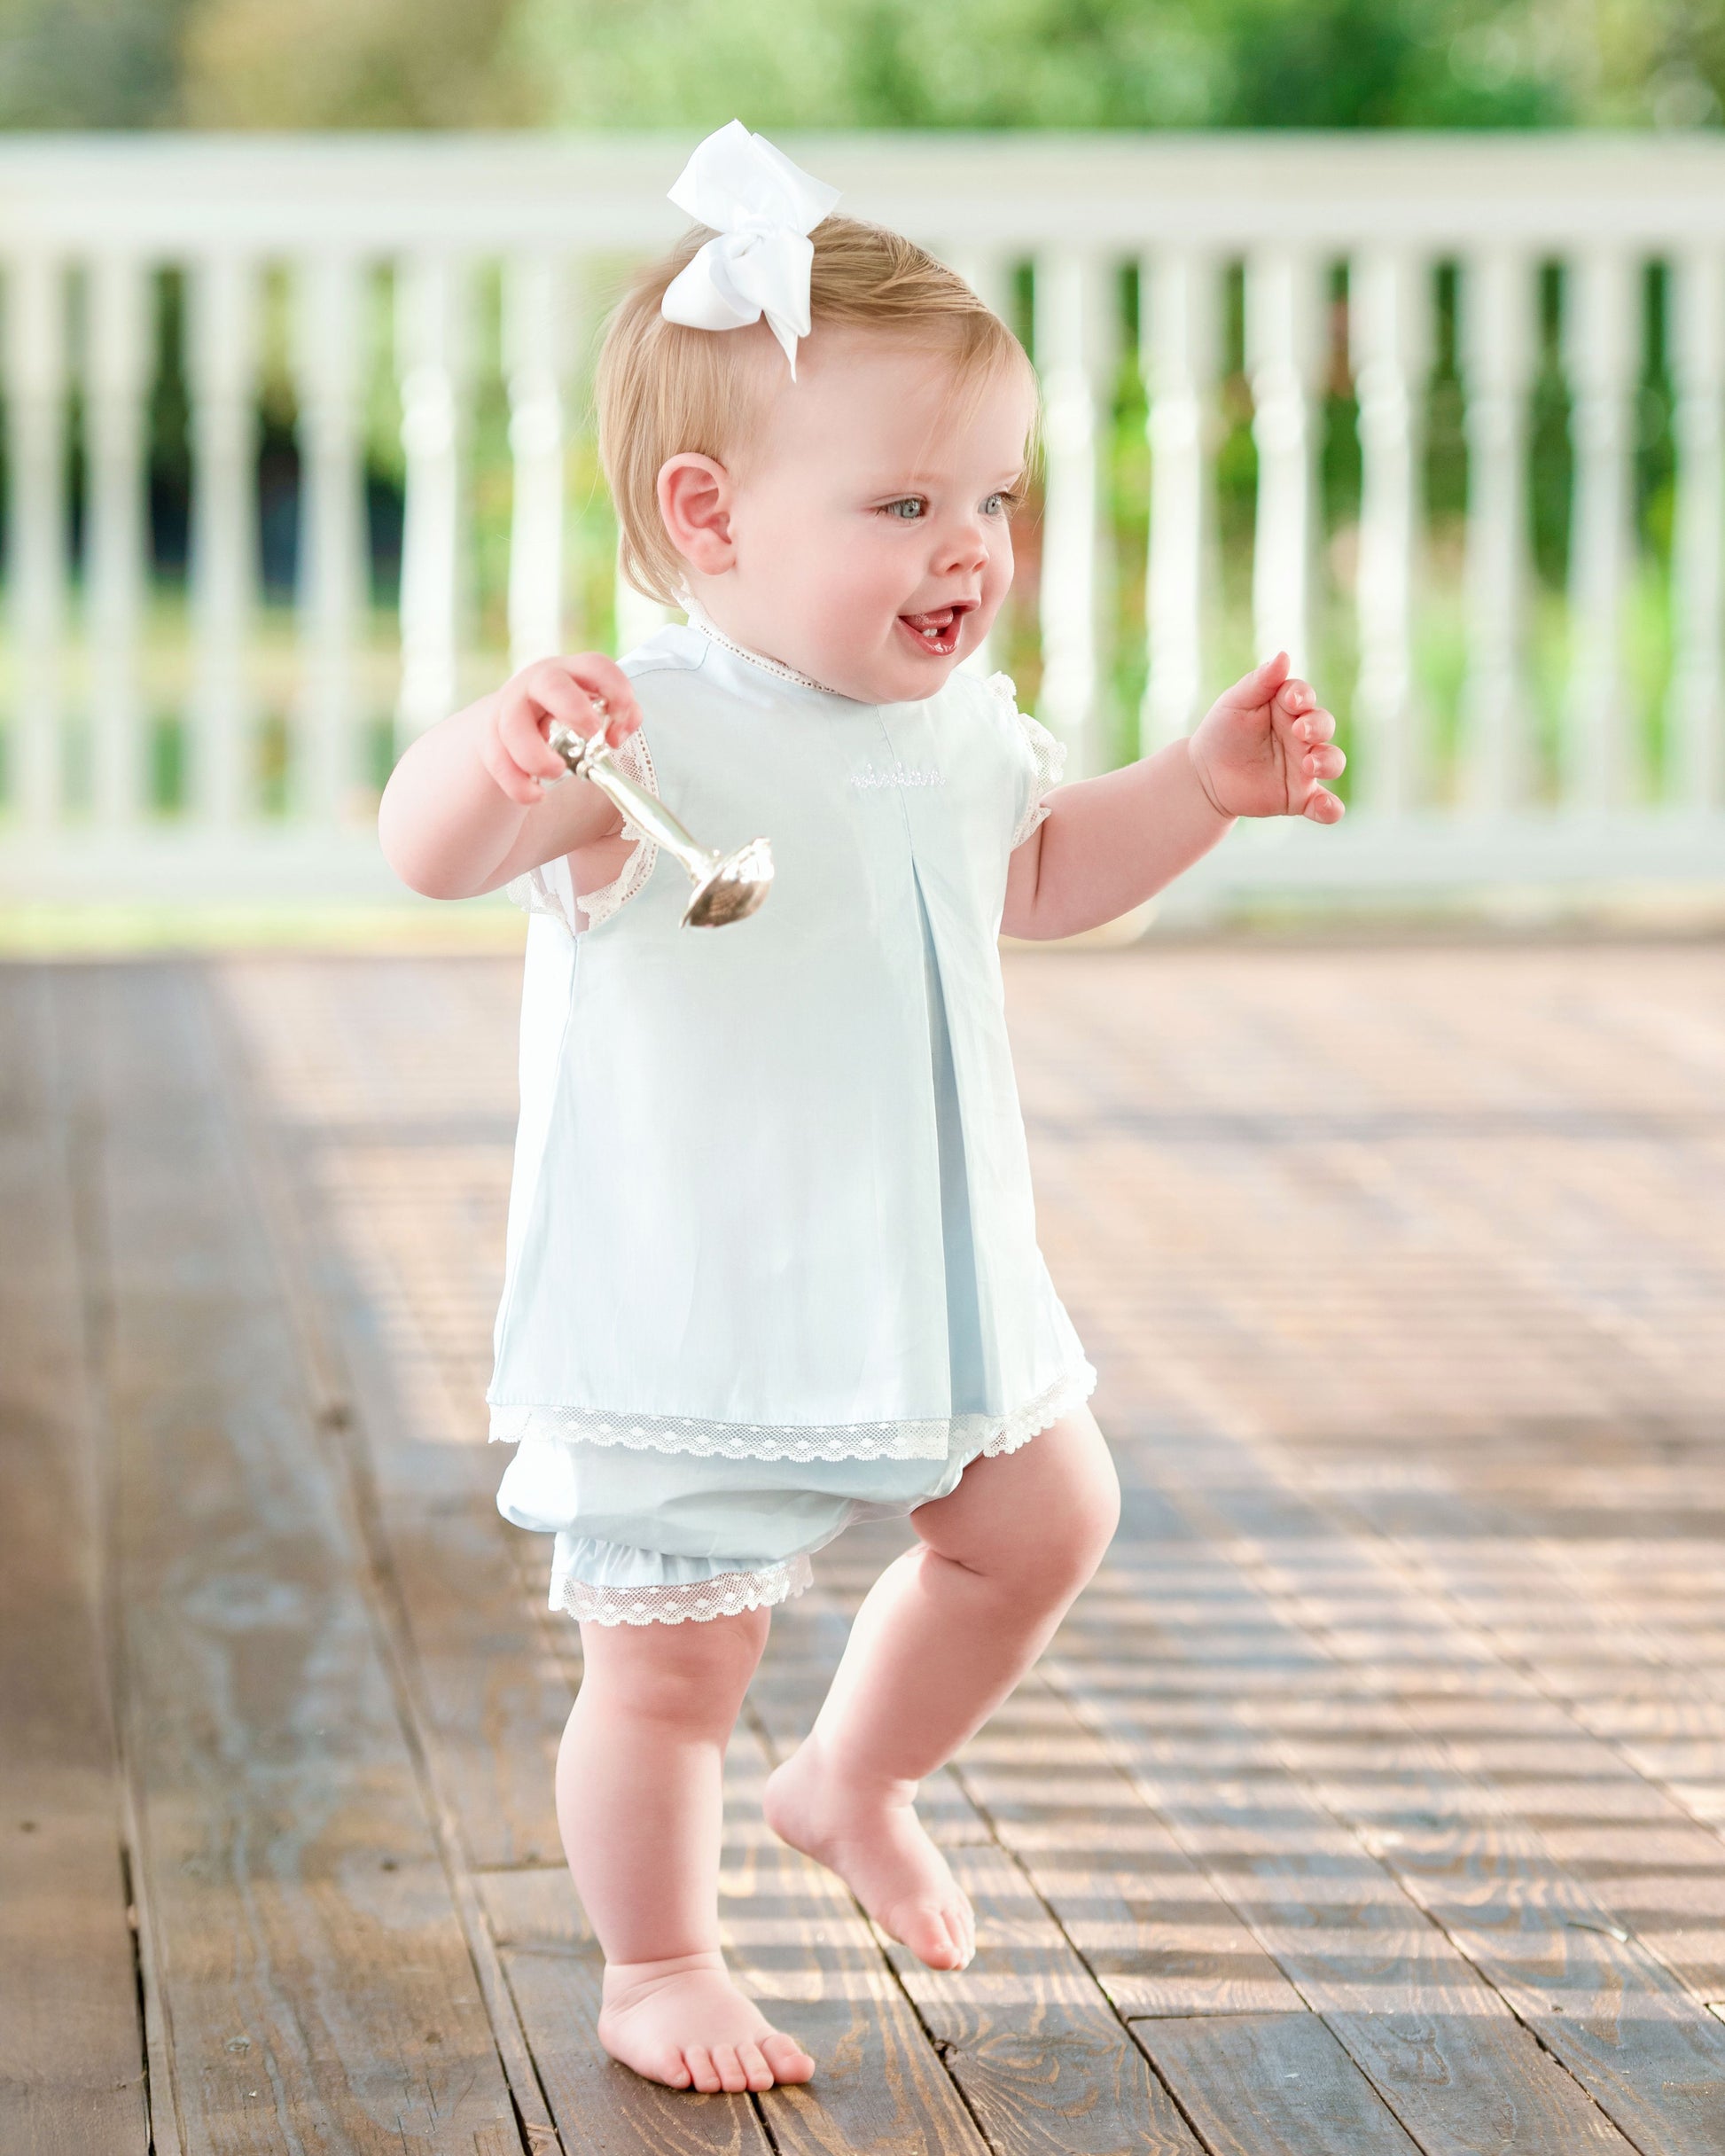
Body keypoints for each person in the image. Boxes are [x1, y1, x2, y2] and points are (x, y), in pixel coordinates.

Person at [378, 121, 1345, 2099]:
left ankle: (857, 1773)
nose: (969, 546)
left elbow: (1042, 878)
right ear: (708, 514)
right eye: (905, 500)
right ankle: (655, 1959)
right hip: (704, 1303)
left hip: (925, 1281)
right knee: (670, 1667)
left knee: (1046, 1512)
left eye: (993, 493)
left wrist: (1194, 784)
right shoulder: (639, 739)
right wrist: (488, 758)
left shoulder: (953, 726)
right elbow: (426, 856)